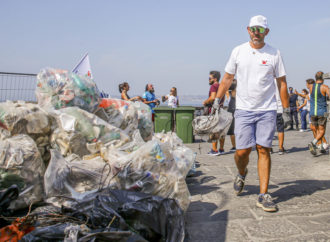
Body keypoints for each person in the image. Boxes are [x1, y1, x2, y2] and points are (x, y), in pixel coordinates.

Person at [212, 15, 290, 212]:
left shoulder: (274, 53)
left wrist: (286, 108)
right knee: (242, 152)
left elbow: (282, 82)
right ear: (248, 30)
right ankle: (241, 172)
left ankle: (263, 195)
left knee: (264, 149)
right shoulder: (238, 51)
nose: (257, 32)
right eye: (254, 29)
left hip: (267, 110)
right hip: (244, 110)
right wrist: (216, 101)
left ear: (266, 32)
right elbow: (227, 78)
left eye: (261, 29)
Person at [202, 71, 225, 155]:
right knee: (221, 130)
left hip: (214, 111)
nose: (208, 80)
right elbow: (223, 98)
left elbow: (212, 97)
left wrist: (205, 102)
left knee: (214, 130)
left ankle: (214, 150)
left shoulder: (213, 86)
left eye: (209, 78)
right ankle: (221, 149)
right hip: (221, 109)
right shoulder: (221, 86)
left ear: (215, 79)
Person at [307, 71, 329, 155]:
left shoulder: (311, 87)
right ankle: (313, 143)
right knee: (322, 130)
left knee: (317, 130)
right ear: (323, 78)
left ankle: (322, 147)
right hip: (322, 112)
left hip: (313, 112)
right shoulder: (325, 87)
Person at [274, 80, 287, 155]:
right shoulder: (279, 81)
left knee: (269, 130)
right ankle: (280, 148)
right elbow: (285, 95)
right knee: (280, 129)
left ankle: (269, 148)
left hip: (267, 109)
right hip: (278, 108)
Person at [226, 79, 237, 152]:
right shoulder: (239, 93)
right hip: (238, 110)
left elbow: (226, 90)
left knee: (232, 131)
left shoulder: (229, 94)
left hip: (231, 111)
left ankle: (234, 146)